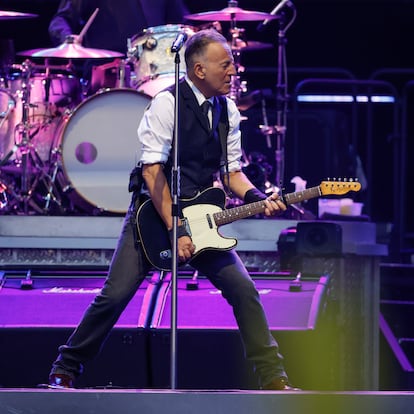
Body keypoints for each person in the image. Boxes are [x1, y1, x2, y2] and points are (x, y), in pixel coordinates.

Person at [48, 29, 298, 391]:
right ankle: (65, 368)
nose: (233, 72)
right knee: (114, 295)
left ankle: (273, 377)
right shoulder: (167, 104)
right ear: (198, 70)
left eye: (232, 65)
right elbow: (152, 172)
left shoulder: (226, 109)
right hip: (153, 215)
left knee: (244, 290)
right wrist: (176, 229)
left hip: (201, 220)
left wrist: (259, 197)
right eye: (225, 64)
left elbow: (232, 173)